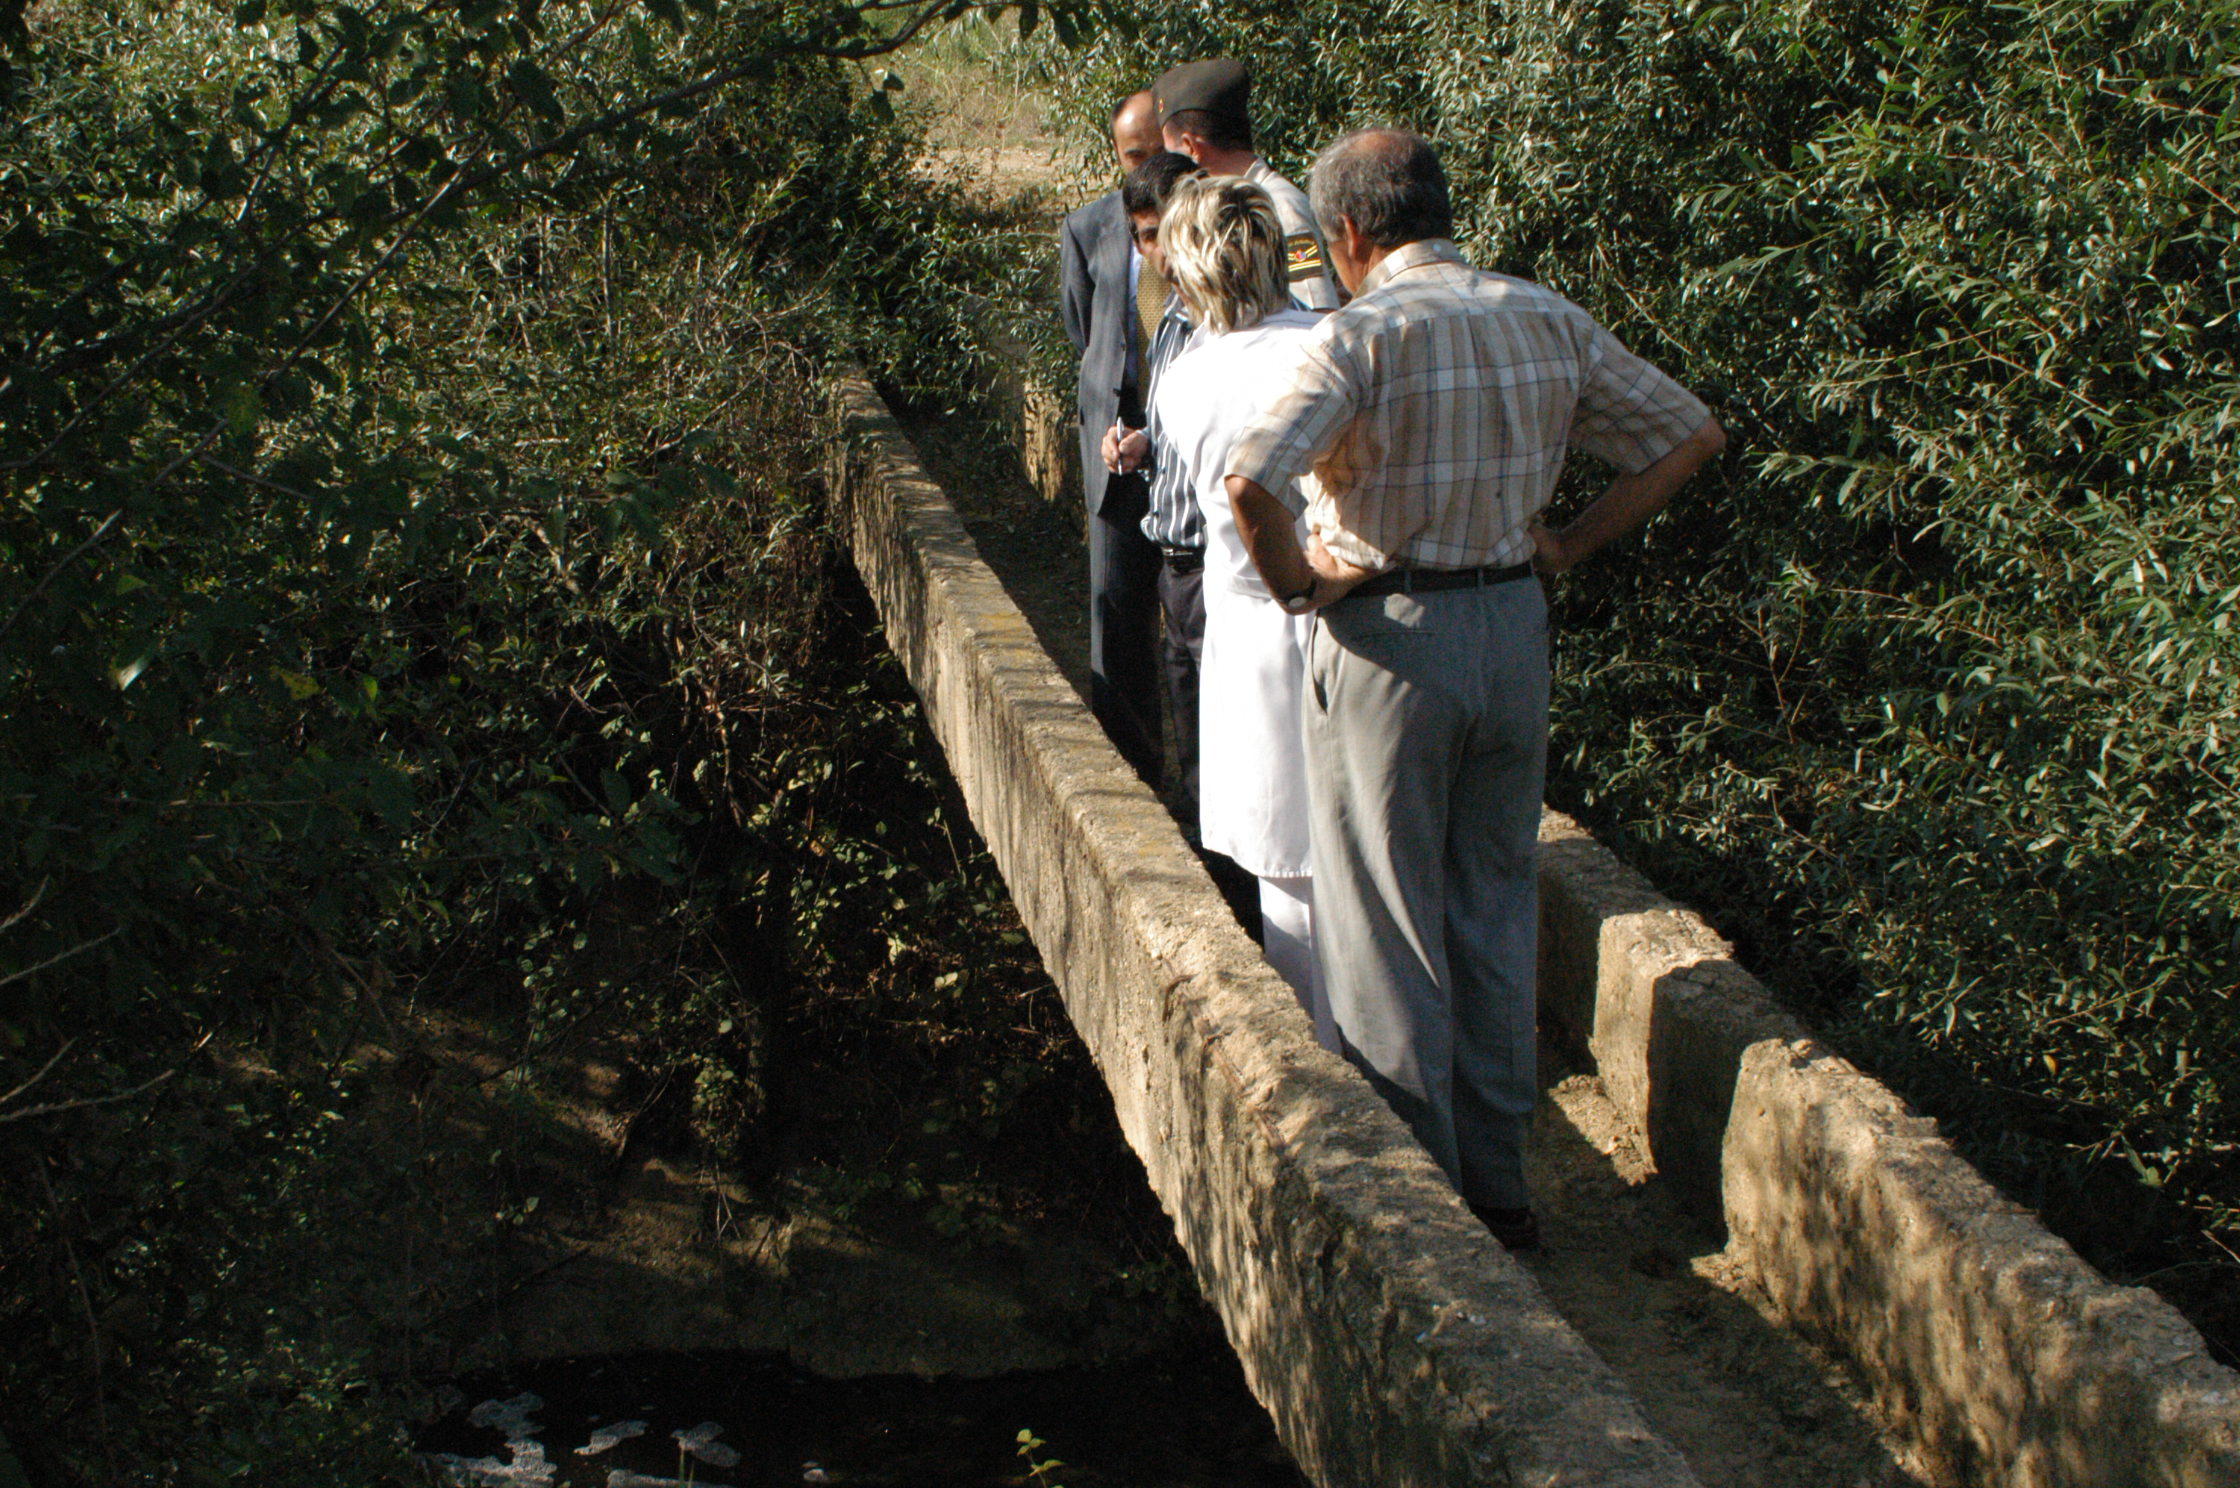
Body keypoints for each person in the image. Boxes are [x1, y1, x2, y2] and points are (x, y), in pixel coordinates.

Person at [1222, 128, 1726, 1251]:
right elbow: (1688, 435)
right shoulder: (1541, 315)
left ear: (1346, 233)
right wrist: (1567, 543)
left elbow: (1248, 480)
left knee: (1383, 923)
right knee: (1493, 907)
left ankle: (1419, 1208)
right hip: (1509, 624)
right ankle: (1500, 1187)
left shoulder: (1362, 338)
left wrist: (1304, 584)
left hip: (1390, 640)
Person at [1150, 174, 1337, 1050]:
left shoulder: (1187, 380)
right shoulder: (1329, 342)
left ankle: (1322, 1052)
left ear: (1188, 275)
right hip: (1345, 606)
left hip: (1248, 618)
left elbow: (1191, 508)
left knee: (1284, 866)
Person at [1059, 91, 1167, 783]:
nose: (1147, 167)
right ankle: (1136, 772)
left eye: (1159, 152)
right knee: (1118, 606)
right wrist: (1110, 413)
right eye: (1135, 157)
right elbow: (1083, 331)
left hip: (1192, 433)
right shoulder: (1088, 226)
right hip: (1116, 436)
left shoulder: (1210, 225)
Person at [1099, 151, 1208, 815]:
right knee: (1193, 733)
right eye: (1144, 236)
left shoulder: (1219, 320)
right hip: (1178, 567)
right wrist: (1144, 443)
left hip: (1216, 569)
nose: (1155, 252)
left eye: (1159, 232)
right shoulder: (1171, 316)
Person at [1151, 59, 1339, 313]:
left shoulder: (1280, 205)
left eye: (1169, 150)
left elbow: (1316, 312)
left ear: (1191, 146)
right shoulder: (1221, 206)